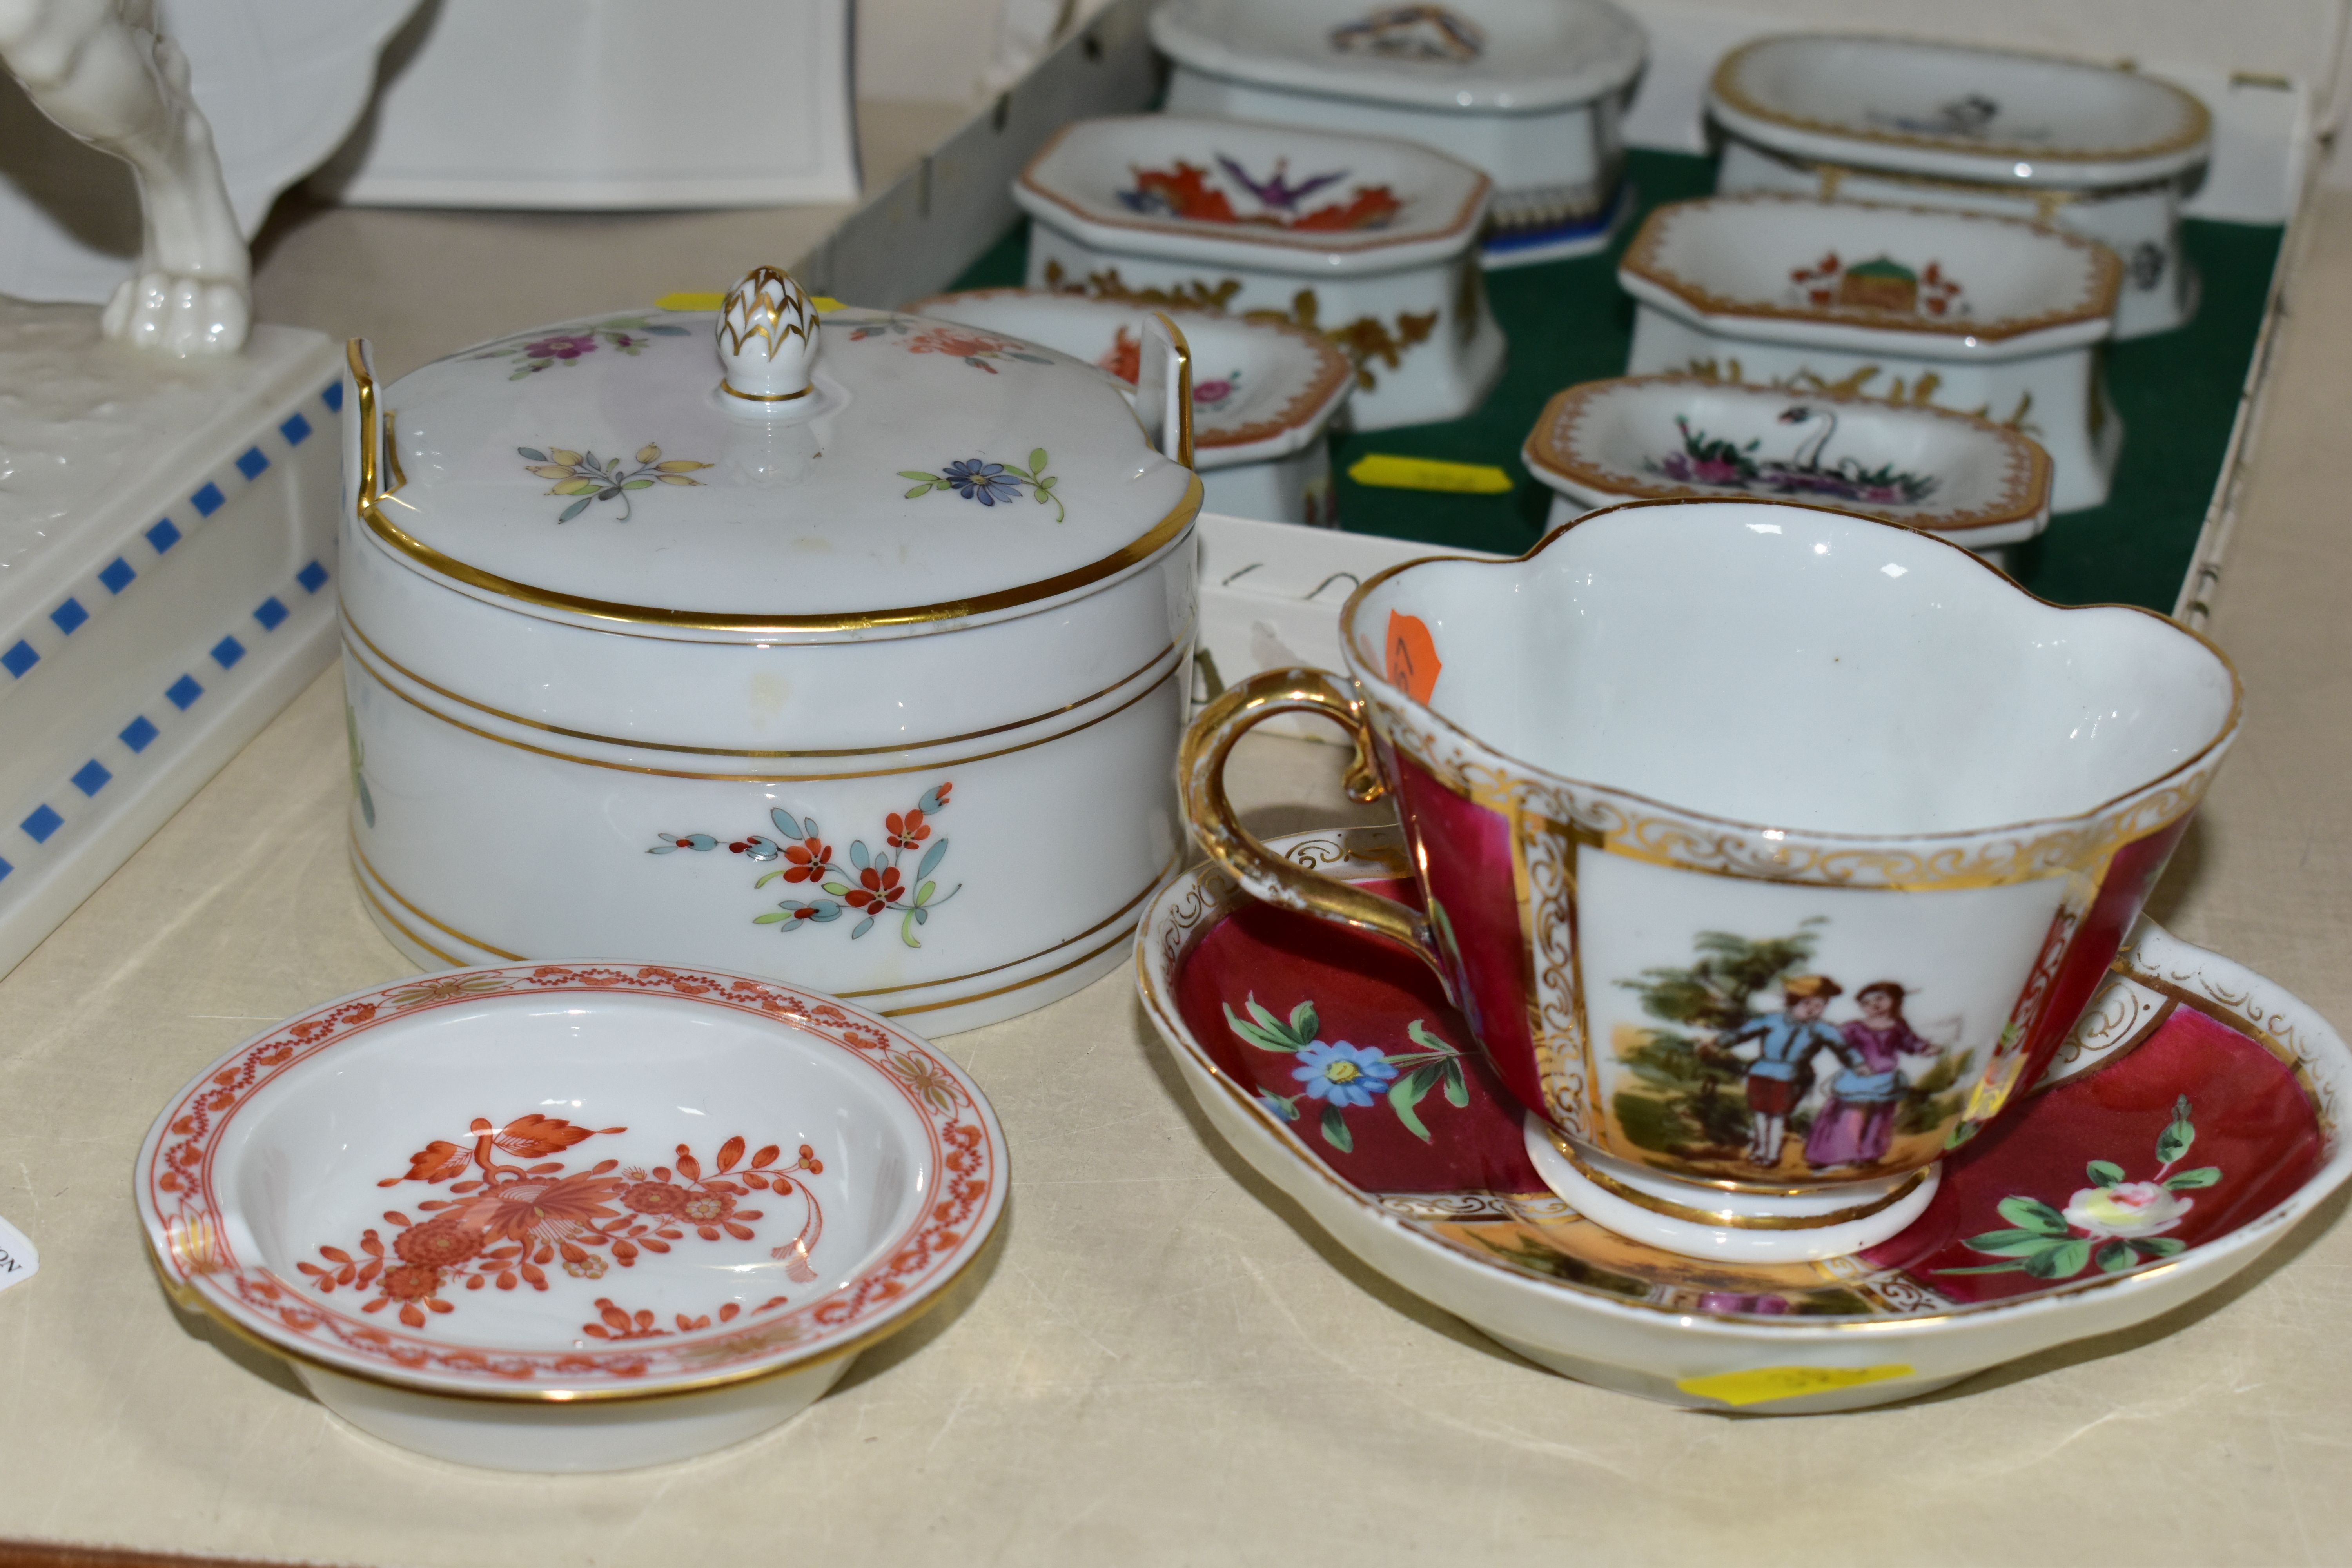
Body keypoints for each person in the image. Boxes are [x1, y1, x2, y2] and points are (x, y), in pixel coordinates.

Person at [1711, 975, 1845, 1167]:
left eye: (1820, 1005)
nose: (1812, 1010)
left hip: (1790, 1077)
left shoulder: (1822, 1029)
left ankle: (1772, 1155)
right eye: (1807, 1003)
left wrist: (1858, 1065)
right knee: (1759, 1113)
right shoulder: (1772, 1020)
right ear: (1793, 1001)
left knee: (1777, 1116)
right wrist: (1720, 1042)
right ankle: (1759, 1150)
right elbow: (1742, 1034)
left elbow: (1844, 1048)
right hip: (1761, 1072)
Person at [1804, 981, 1929, 1169]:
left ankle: (1867, 1156)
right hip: (1857, 1079)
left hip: (1885, 1080)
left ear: (1893, 1000)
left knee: (1878, 1119)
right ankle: (1830, 1155)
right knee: (1849, 1116)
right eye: (1866, 1002)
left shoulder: (1898, 1027)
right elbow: (1836, 1040)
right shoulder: (1855, 1027)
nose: (1874, 1005)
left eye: (1880, 998)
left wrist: (1929, 1048)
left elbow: (1912, 1044)